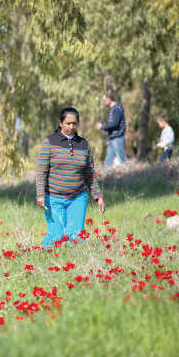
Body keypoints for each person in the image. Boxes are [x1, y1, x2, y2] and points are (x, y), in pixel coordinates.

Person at [37, 107, 106, 248]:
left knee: (76, 236)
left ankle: (74, 265)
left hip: (77, 198)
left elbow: (90, 173)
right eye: (68, 123)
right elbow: (41, 171)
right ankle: (47, 262)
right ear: (61, 123)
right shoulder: (50, 142)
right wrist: (40, 194)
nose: (71, 127)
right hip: (54, 197)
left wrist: (98, 196)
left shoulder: (84, 144)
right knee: (55, 237)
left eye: (74, 123)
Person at [94, 92, 126, 168]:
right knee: (108, 161)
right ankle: (106, 177)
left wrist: (102, 127)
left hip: (117, 138)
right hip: (112, 138)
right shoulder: (113, 109)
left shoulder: (116, 108)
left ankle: (128, 176)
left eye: (104, 101)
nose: (103, 103)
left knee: (121, 160)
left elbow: (114, 124)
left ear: (109, 100)